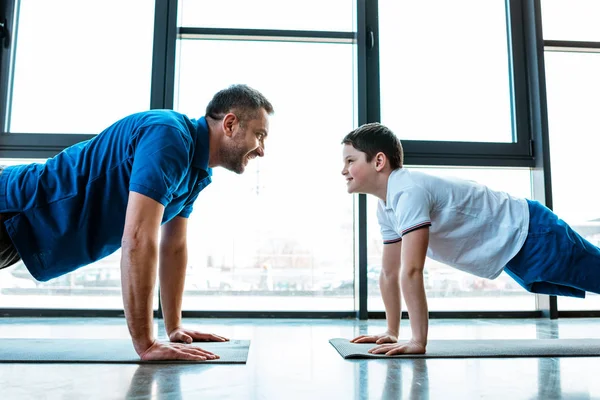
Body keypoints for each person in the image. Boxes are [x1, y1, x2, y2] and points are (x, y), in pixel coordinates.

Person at [0, 84, 274, 361]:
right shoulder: (169, 136)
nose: (261, 150)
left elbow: (173, 247)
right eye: (259, 135)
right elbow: (138, 239)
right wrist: (146, 344)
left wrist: (174, 327)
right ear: (230, 124)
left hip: (21, 228)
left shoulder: (195, 174)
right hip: (11, 207)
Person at [341, 122, 600, 356]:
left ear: (378, 161)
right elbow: (389, 272)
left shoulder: (408, 191)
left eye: (350, 161)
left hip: (533, 233)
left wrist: (418, 340)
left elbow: (411, 270)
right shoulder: (387, 206)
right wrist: (391, 330)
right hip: (515, 251)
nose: (344, 170)